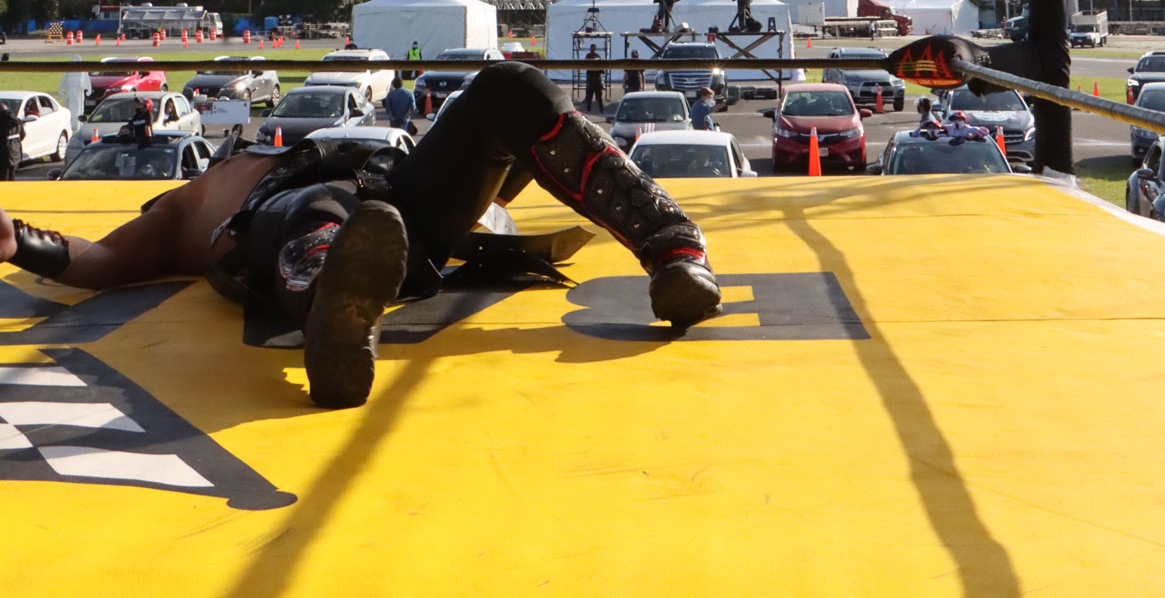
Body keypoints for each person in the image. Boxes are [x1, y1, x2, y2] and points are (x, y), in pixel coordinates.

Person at [0, 62, 720, 410]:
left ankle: (674, 248)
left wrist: (499, 166)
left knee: (508, 90)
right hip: (298, 225)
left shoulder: (285, 159)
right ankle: (332, 316)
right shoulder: (189, 205)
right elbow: (102, 260)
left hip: (395, 198)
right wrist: (19, 243)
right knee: (320, 209)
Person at [58, 54, 93, 132]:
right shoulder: (70, 71)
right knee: (70, 109)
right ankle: (70, 124)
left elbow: (86, 82)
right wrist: (61, 90)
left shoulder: (82, 71)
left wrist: (87, 89)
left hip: (78, 94)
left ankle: (76, 125)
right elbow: (65, 80)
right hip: (70, 94)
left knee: (77, 110)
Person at [0, 104, 21, 182]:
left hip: (3, 156)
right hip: (15, 154)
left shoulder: (2, 122)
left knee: (3, 179)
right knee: (12, 177)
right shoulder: (18, 122)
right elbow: (23, 135)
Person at [583, 45, 605, 115]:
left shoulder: (597, 56)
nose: (592, 49)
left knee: (599, 97)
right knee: (589, 97)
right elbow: (586, 65)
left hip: (597, 80)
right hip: (590, 80)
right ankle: (588, 110)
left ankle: (602, 110)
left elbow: (601, 68)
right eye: (591, 48)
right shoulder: (588, 56)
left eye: (593, 48)